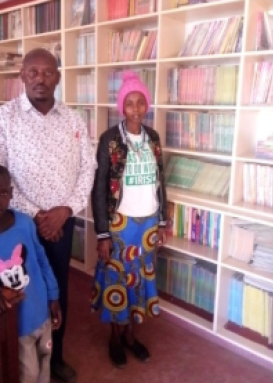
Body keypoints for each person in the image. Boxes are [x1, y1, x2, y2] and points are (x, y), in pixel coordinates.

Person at [0, 48, 96, 383]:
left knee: (56, 288)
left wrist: (65, 210)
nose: (40, 79)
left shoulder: (74, 120)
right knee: (20, 290)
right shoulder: (2, 120)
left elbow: (87, 168)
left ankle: (54, 355)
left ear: (58, 77)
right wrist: (38, 215)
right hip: (17, 223)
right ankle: (20, 363)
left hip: (63, 223)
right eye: (32, 72)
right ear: (22, 76)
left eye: (47, 72)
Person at [90, 71, 167, 368]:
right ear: (122, 107)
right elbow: (100, 188)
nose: (135, 108)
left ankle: (131, 336)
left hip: (147, 223)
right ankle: (114, 337)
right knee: (116, 279)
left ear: (146, 105)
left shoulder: (154, 138)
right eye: (129, 103)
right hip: (120, 224)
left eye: (140, 102)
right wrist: (102, 234)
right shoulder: (110, 139)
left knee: (139, 278)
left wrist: (162, 221)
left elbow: (161, 180)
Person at [0, 163, 62, 383]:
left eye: (3, 193)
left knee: (45, 358)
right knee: (27, 373)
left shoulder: (24, 222)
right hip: (14, 323)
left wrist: (53, 296)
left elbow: (41, 259)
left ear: (12, 193)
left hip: (40, 311)